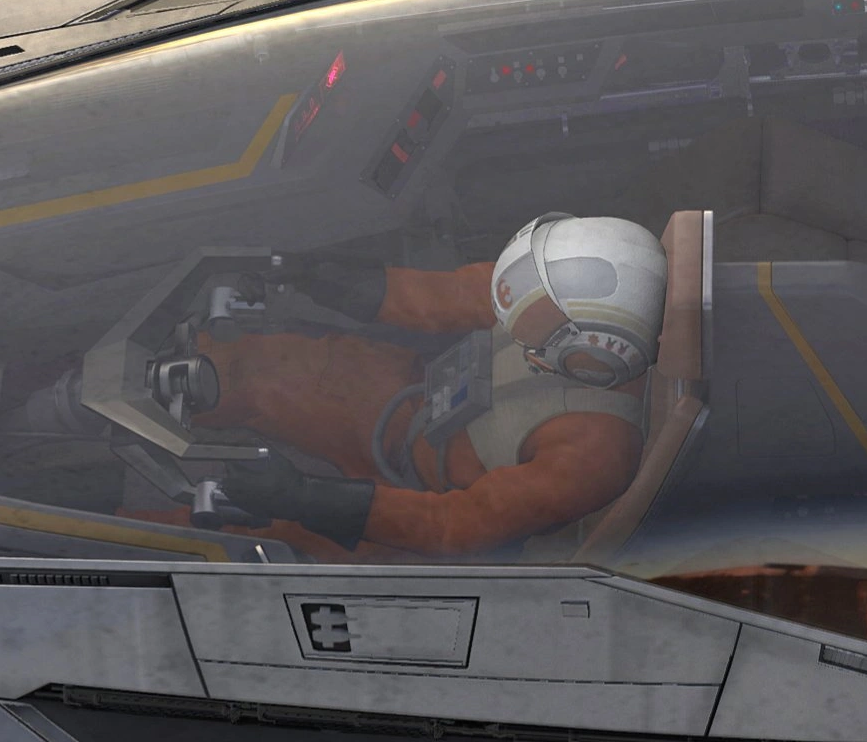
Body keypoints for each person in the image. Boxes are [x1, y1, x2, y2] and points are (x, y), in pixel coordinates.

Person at [181, 212, 665, 558]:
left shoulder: (596, 455)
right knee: (250, 364)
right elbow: (452, 296)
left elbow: (454, 525)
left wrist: (307, 498)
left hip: (407, 500)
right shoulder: (554, 292)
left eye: (533, 322)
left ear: (598, 353)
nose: (511, 315)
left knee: (241, 530)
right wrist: (327, 279)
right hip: (410, 395)